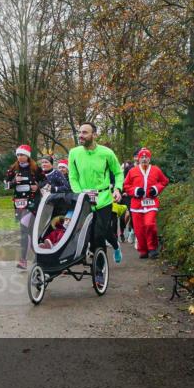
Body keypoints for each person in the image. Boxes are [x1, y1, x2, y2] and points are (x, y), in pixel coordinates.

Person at [67, 122, 125, 289]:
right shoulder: (74, 153)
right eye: (80, 132)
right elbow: (73, 176)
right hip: (84, 199)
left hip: (104, 198)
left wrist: (118, 189)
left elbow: (118, 173)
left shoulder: (106, 153)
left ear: (94, 135)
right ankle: (110, 246)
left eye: (85, 132)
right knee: (90, 233)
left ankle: (99, 270)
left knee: (99, 234)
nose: (81, 135)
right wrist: (80, 193)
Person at [124, 147, 169, 259]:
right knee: (139, 229)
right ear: (138, 159)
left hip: (151, 203)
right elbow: (126, 186)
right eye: (142, 157)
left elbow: (164, 181)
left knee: (149, 224)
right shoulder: (132, 171)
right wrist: (135, 191)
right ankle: (143, 250)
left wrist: (156, 188)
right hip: (137, 205)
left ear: (149, 159)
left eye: (146, 157)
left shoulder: (156, 170)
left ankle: (152, 248)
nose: (144, 159)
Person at [5, 145, 45, 270]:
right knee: (30, 231)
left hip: (33, 202)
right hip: (19, 203)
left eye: (22, 155)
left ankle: (23, 260)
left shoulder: (35, 168)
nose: (19, 157)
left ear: (27, 156)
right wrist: (13, 182)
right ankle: (40, 257)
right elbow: (5, 185)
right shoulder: (12, 169)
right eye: (18, 155)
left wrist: (38, 186)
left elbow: (45, 181)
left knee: (24, 228)